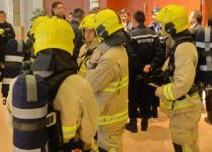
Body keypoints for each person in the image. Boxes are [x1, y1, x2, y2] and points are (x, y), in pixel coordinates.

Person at [7, 17, 99, 151]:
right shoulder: (80, 85)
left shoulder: (18, 83)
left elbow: (14, 123)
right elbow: (89, 129)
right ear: (70, 44)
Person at [154, 4, 201, 152]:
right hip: (181, 109)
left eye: (162, 24)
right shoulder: (178, 44)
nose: (160, 26)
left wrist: (160, 92)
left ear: (171, 26)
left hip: (185, 108)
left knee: (184, 145)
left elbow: (182, 84)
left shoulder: (184, 48)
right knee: (182, 143)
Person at [84, 9, 129, 152]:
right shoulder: (118, 50)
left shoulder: (109, 58)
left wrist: (90, 64)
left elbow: (89, 84)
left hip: (109, 118)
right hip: (112, 114)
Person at [125, 11, 165, 133]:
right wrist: (151, 66)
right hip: (150, 73)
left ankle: (133, 123)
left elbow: (130, 55)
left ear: (135, 20)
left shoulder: (130, 35)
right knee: (147, 96)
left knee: (133, 97)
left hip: (135, 73)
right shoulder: (154, 34)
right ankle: (145, 123)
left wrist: (140, 67)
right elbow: (160, 53)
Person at [77, 13, 100, 77]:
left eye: (91, 31)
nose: (87, 34)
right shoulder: (83, 47)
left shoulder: (100, 49)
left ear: (96, 32)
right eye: (85, 31)